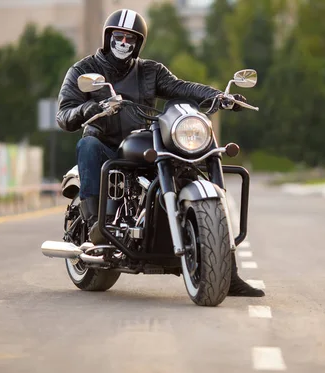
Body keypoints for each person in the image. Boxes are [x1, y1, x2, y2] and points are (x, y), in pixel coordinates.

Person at [56, 9, 264, 297]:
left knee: (188, 162)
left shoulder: (150, 71)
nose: (123, 42)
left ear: (138, 43)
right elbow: (64, 115)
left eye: (131, 38)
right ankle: (95, 225)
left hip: (143, 143)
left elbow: (182, 87)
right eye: (118, 36)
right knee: (88, 145)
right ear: (107, 37)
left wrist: (218, 96)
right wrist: (90, 108)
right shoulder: (84, 70)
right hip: (105, 145)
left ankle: (228, 271)